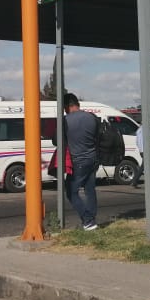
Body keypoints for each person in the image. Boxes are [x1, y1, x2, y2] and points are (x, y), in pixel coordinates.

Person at [61, 93, 100, 230]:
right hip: (93, 159)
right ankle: (92, 220)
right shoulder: (91, 117)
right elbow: (97, 137)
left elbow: (56, 140)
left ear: (66, 106)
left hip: (78, 160)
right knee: (90, 190)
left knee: (71, 191)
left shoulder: (65, 120)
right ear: (77, 103)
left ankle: (88, 220)